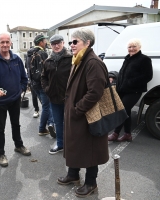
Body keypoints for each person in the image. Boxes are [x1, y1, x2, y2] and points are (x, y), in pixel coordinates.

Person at [57, 28, 109, 198]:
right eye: (71, 41)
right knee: (75, 145)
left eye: (75, 41)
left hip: (86, 115)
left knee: (90, 149)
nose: (71, 45)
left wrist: (77, 109)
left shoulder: (92, 62)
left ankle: (91, 183)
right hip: (76, 114)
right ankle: (73, 175)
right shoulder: (79, 59)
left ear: (87, 43)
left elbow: (95, 92)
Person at [0, 32, 31, 167]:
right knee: (0, 128)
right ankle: (1, 153)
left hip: (15, 99)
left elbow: (24, 77)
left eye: (7, 42)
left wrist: (22, 88)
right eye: (2, 42)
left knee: (16, 124)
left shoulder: (16, 59)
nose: (5, 45)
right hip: (0, 102)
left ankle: (18, 145)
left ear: (10, 43)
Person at [108, 38, 153, 142]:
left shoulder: (144, 59)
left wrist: (130, 83)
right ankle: (127, 134)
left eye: (134, 46)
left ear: (139, 47)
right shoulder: (127, 58)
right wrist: (117, 82)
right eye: (129, 47)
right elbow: (123, 74)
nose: (131, 49)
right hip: (123, 90)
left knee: (122, 110)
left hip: (134, 91)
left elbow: (148, 76)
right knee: (126, 111)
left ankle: (115, 133)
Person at [41, 34, 72, 154]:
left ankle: (71, 145)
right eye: (54, 44)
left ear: (63, 43)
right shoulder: (48, 61)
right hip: (54, 98)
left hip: (69, 97)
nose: (56, 45)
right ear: (51, 45)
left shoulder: (71, 58)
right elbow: (43, 77)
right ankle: (60, 144)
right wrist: (47, 89)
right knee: (58, 123)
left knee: (70, 123)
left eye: (59, 43)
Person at [26, 34, 55, 137]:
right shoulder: (42, 54)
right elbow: (49, 69)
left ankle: (51, 123)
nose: (46, 42)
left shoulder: (29, 54)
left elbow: (27, 68)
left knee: (46, 105)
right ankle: (42, 128)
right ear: (40, 42)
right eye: (45, 41)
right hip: (43, 84)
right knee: (47, 106)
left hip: (34, 85)